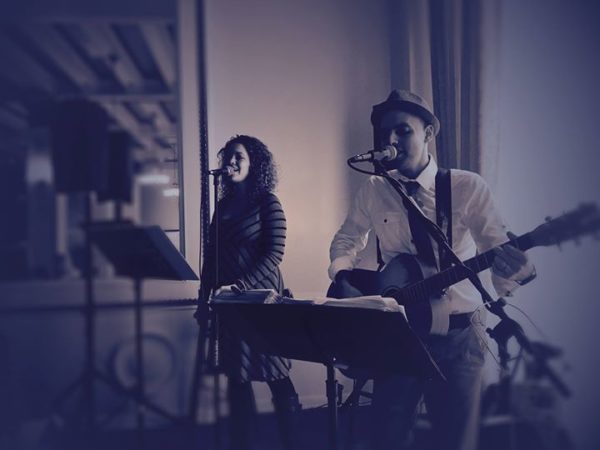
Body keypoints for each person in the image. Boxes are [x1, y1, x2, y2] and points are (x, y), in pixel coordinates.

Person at [328, 90, 536, 450]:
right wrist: (344, 277)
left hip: (459, 335)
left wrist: (518, 269)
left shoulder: (466, 186)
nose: (391, 140)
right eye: (385, 133)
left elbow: (497, 249)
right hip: (398, 334)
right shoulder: (374, 188)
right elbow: (347, 239)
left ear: (428, 134)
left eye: (403, 130)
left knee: (454, 440)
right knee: (386, 436)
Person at [199, 135, 301, 450]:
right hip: (229, 304)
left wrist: (241, 286)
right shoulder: (222, 205)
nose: (230, 162)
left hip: (262, 302)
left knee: (276, 373)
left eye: (238, 156)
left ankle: (293, 442)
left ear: (254, 164)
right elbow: (212, 255)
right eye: (227, 156)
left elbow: (275, 252)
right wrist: (204, 299)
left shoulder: (267, 202)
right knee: (237, 375)